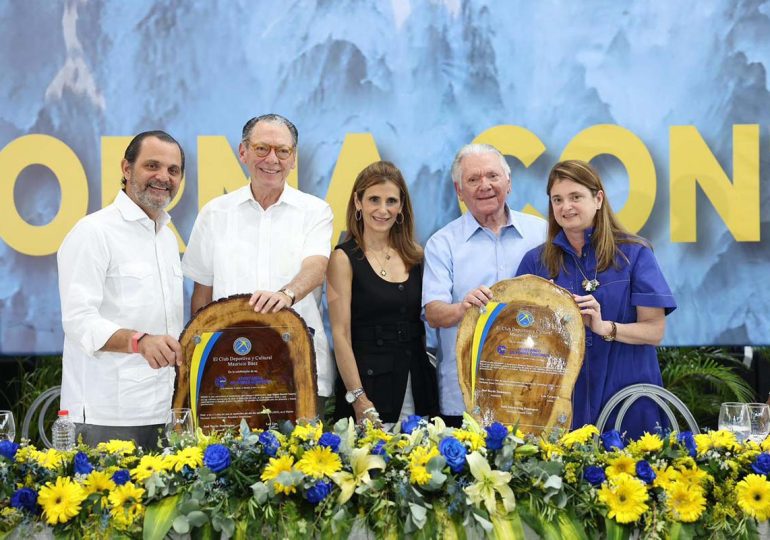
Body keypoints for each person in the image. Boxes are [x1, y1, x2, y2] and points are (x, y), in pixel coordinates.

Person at [516, 160, 676, 439]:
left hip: (627, 397)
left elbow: (654, 330)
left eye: (575, 197)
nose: (566, 207)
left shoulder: (635, 254)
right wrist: (543, 320)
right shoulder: (536, 262)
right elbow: (519, 336)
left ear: (598, 199)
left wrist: (606, 328)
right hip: (562, 403)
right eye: (557, 199)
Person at [182, 114, 334, 408]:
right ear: (243, 152)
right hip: (228, 372)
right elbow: (202, 296)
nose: (272, 159)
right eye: (262, 148)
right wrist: (200, 363)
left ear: (293, 159)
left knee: (302, 441)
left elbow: (316, 268)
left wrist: (286, 295)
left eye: (282, 151)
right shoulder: (214, 213)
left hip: (297, 369)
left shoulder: (315, 211)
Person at [58, 131, 185, 448]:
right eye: (152, 166)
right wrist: (139, 342)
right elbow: (78, 320)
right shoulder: (93, 232)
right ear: (126, 169)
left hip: (164, 411)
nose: (163, 177)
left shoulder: (167, 238)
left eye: (173, 170)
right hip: (106, 414)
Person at [422, 144, 547, 427]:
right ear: (459, 190)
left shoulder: (541, 234)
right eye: (473, 179)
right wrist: (462, 308)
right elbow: (433, 313)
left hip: (531, 392)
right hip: (465, 395)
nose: (485, 185)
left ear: (508, 182)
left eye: (492, 175)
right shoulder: (442, 244)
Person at [327, 161, 439, 426]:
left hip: (419, 386)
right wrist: (359, 399)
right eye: (374, 199)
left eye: (391, 201)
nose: (383, 209)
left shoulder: (416, 255)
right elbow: (341, 335)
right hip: (369, 391)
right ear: (358, 202)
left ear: (401, 207)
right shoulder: (343, 258)